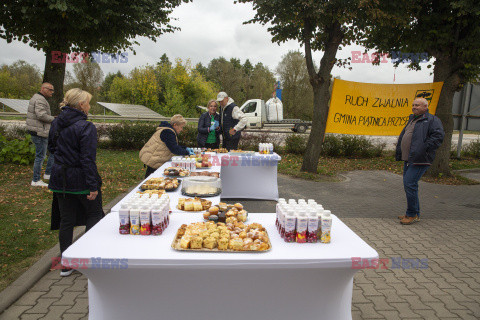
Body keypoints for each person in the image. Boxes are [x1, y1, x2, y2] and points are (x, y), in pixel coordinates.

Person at [48, 88, 104, 276]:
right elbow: (87, 159)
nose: (89, 106)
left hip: (60, 178)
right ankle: (85, 257)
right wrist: (92, 185)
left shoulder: (56, 122)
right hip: (80, 179)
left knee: (67, 220)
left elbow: (52, 148)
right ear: (81, 105)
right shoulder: (85, 126)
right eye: (88, 103)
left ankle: (66, 263)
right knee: (95, 214)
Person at [395, 98, 444, 225]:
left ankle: (412, 214)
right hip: (409, 159)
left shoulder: (432, 120)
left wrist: (423, 149)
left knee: (409, 184)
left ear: (425, 107)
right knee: (410, 186)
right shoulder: (413, 119)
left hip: (420, 159)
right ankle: (413, 213)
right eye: (413, 105)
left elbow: (438, 137)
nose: (414, 107)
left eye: (417, 105)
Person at [26, 82, 55, 187]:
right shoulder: (40, 99)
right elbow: (41, 115)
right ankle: (36, 180)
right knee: (40, 156)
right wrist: (54, 119)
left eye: (53, 90)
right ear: (43, 88)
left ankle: (48, 174)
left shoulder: (38, 98)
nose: (52, 92)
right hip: (39, 132)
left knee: (51, 152)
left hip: (40, 130)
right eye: (50, 89)